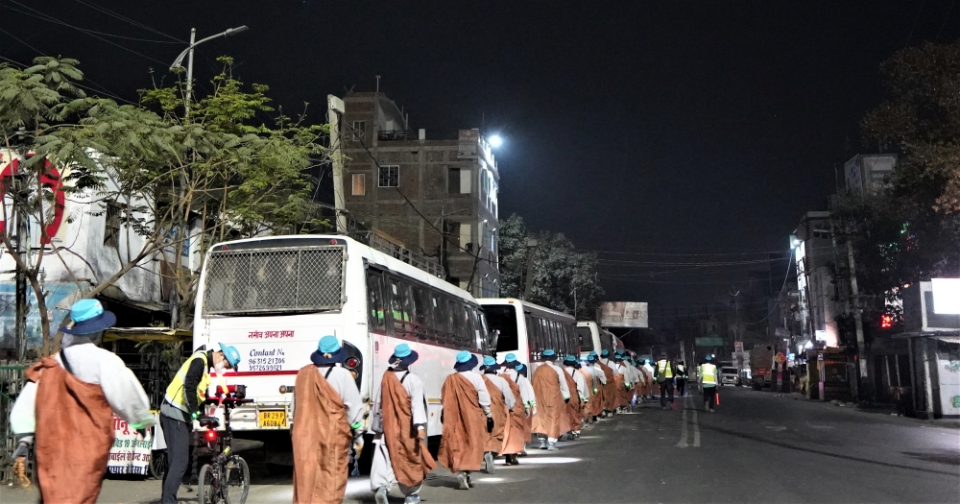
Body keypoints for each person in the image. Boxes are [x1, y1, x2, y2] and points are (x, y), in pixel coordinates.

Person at [9, 299, 155, 504]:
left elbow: (27, 404)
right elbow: (128, 397)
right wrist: (141, 422)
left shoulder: (52, 364)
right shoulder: (105, 361)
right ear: (98, 331)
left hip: (51, 452)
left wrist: (25, 440)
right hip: (86, 451)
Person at [160, 337, 241, 504]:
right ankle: (168, 501)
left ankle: (166, 499)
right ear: (220, 355)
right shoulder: (200, 361)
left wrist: (203, 412)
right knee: (180, 463)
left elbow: (197, 393)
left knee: (174, 461)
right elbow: (189, 387)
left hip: (174, 413)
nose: (225, 369)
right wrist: (196, 414)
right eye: (226, 365)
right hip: (174, 413)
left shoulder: (205, 365)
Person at [291, 336, 363, 503]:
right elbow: (354, 408)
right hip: (333, 434)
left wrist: (295, 429)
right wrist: (358, 433)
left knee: (307, 476)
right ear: (337, 354)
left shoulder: (303, 375)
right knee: (331, 477)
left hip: (305, 435)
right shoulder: (343, 375)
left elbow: (295, 407)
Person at [370, 344, 437, 504]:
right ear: (409, 361)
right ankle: (411, 494)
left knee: (384, 456)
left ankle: (381, 487)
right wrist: (420, 426)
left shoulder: (386, 377)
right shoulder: (413, 380)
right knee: (409, 459)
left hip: (387, 425)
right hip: (406, 428)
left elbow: (379, 402)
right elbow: (417, 406)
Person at [439, 351, 492, 490]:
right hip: (473, 417)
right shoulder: (476, 378)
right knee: (472, 444)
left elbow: (443, 399)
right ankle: (465, 472)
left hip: (454, 418)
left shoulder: (450, 379)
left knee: (458, 443)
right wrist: (488, 414)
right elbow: (484, 399)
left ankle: (462, 470)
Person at [480, 356, 516, 472]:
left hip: (480, 411)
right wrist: (510, 408)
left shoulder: (479, 379)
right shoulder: (501, 381)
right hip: (497, 411)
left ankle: (485, 452)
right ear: (495, 369)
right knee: (496, 435)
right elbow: (509, 399)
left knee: (483, 434)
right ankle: (491, 453)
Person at [530, 349, 570, 451]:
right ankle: (551, 442)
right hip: (554, 399)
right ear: (554, 358)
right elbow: (563, 385)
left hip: (539, 399)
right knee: (553, 419)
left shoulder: (538, 370)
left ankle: (542, 442)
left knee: (541, 418)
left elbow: (533, 384)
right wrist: (566, 396)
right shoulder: (557, 369)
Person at [499, 354, 534, 463]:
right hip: (517, 407)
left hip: (503, 407)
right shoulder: (520, 378)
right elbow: (523, 394)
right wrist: (527, 407)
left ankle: (507, 455)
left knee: (506, 430)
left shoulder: (500, 377)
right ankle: (513, 455)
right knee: (516, 431)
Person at [561, 355, 588, 439]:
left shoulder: (561, 372)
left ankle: (566, 429)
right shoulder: (577, 373)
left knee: (565, 413)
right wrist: (582, 399)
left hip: (562, 396)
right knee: (575, 413)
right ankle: (575, 431)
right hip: (574, 396)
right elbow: (580, 388)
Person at [585, 352, 608, 421]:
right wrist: (603, 383)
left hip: (587, 388)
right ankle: (596, 413)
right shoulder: (597, 368)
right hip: (596, 387)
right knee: (597, 401)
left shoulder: (585, 369)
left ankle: (590, 414)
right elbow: (603, 379)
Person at [596, 350, 617, 417]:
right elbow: (615, 372)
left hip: (601, 383)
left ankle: (603, 409)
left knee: (602, 396)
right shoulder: (611, 363)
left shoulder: (597, 363)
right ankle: (609, 409)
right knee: (610, 396)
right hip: (610, 383)